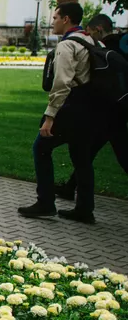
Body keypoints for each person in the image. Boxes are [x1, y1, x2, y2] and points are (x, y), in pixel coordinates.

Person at [19, 2, 100, 223]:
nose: (52, 21)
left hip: (71, 107)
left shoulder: (67, 46)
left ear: (66, 19)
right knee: (82, 158)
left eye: (55, 17)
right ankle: (85, 209)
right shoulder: (90, 40)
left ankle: (45, 202)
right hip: (89, 108)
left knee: (41, 148)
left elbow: (62, 84)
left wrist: (50, 116)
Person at [55, 13, 128, 201]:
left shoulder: (107, 47)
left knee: (96, 153)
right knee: (86, 153)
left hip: (107, 109)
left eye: (89, 31)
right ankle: (72, 189)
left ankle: (79, 200)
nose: (86, 35)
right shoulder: (116, 45)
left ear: (98, 29)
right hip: (113, 108)